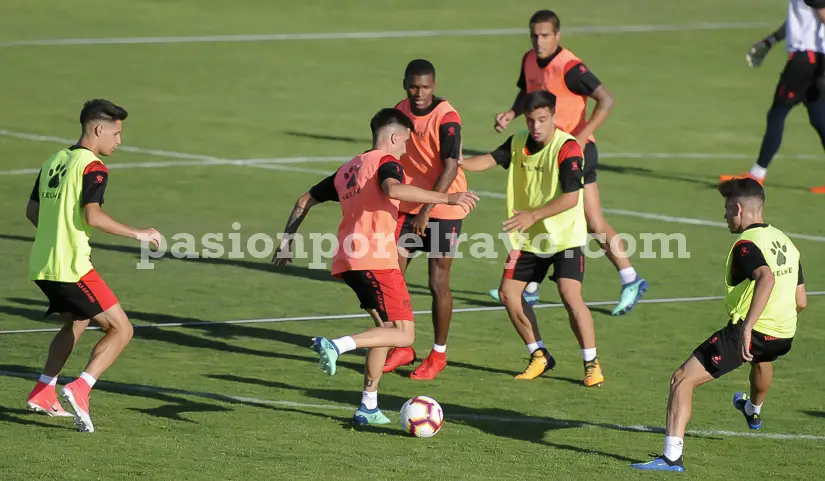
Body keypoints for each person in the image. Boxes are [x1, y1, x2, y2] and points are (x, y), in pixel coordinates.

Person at [272, 108, 477, 425]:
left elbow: (303, 200)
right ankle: (336, 345)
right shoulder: (386, 162)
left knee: (385, 331)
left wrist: (287, 241)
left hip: (348, 261)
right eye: (406, 142)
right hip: (376, 260)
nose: (406, 149)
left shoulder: (348, 168)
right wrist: (447, 199)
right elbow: (393, 189)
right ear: (394, 137)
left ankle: (368, 406)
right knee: (404, 335)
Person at [631, 178, 806, 472]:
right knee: (763, 359)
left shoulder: (746, 245)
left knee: (681, 380)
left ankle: (671, 457)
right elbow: (801, 301)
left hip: (751, 331)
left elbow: (766, 278)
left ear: (739, 208)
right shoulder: (786, 242)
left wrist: (748, 327)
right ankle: (753, 411)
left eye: (727, 209)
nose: (724, 216)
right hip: (783, 333)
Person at [491, 9, 648, 315]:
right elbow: (527, 91)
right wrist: (511, 113)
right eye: (534, 35)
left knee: (592, 222)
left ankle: (631, 279)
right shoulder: (528, 59)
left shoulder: (571, 68)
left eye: (545, 35)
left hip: (574, 152)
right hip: (548, 151)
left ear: (557, 36)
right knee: (541, 213)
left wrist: (581, 135)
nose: (539, 41)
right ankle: (531, 288)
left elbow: (607, 99)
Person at [25, 99, 163, 433]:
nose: (119, 141)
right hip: (72, 266)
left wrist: (57, 232)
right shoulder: (93, 166)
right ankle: (81, 387)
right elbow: (93, 216)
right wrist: (137, 233)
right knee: (122, 329)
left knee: (78, 320)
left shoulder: (54, 161)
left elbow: (32, 212)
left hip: (43, 264)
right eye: (116, 133)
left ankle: (44, 391)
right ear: (98, 129)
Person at [460, 90, 604, 386]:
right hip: (530, 240)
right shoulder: (517, 142)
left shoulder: (568, 148)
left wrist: (532, 215)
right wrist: (458, 163)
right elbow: (488, 160)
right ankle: (539, 354)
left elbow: (570, 198)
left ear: (553, 116)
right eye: (531, 120)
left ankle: (591, 362)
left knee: (569, 295)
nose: (536, 126)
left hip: (564, 237)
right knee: (508, 294)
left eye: (542, 119)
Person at [380, 59, 466, 380]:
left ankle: (439, 355)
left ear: (434, 85)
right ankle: (403, 345)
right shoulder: (399, 112)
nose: (420, 93)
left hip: (444, 209)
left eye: (426, 87)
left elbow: (451, 167)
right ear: (405, 83)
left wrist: (427, 211)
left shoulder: (447, 119)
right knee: (392, 274)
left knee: (437, 282)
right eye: (414, 86)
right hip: (411, 205)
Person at [721, 0, 825, 193]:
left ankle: (756, 175)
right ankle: (757, 173)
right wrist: (771, 40)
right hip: (813, 60)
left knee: (778, 113)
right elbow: (799, 20)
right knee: (819, 117)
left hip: (805, 61)